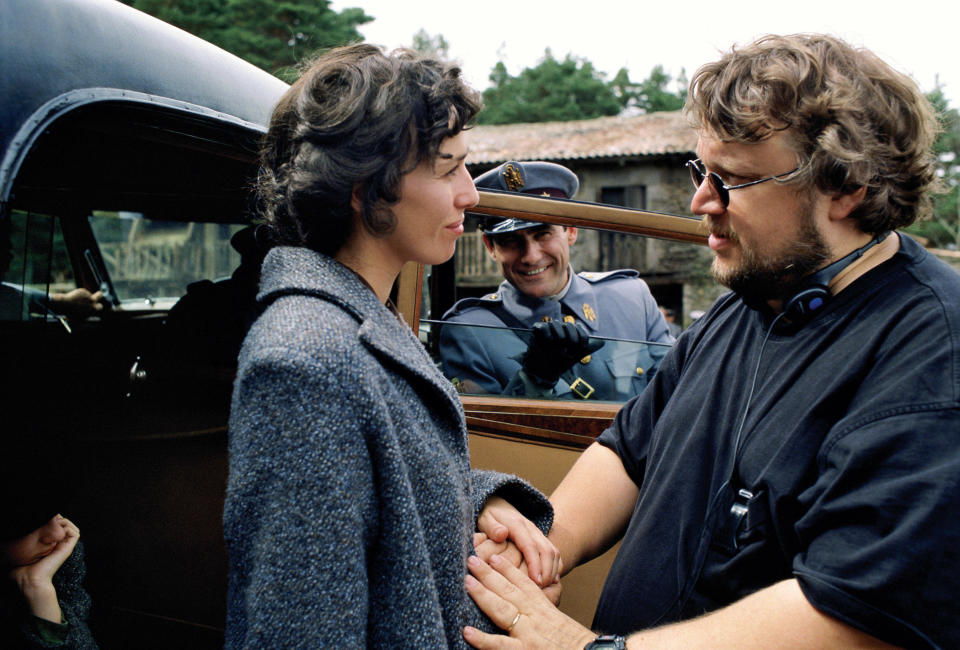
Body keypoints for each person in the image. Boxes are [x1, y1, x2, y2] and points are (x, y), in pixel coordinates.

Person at [462, 33, 960, 649]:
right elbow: (627, 452)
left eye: (733, 181)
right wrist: (539, 554)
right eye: (703, 172)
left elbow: (855, 614)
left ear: (847, 185)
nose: (701, 202)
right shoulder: (747, 305)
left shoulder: (932, 353)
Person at [222, 44, 560, 648]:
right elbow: (302, 631)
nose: (471, 195)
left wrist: (478, 502)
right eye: (447, 167)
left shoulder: (356, 319)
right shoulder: (304, 360)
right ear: (365, 189)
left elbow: (379, 485)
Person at [439, 161, 673, 401]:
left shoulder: (631, 297)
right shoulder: (469, 332)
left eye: (543, 234)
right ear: (491, 247)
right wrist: (534, 379)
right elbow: (482, 433)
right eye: (510, 241)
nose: (531, 256)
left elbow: (674, 394)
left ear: (570, 231)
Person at [1, 440, 97, 649]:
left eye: (53, 513)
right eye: (30, 527)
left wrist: (38, 590)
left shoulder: (63, 559)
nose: (58, 532)